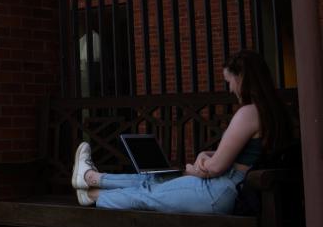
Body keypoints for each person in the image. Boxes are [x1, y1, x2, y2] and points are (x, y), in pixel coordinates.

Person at [72, 50, 292, 213]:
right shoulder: (272, 111)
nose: (231, 88)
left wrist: (196, 168)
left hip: (221, 189)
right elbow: (241, 154)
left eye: (230, 81)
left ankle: (92, 194)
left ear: (241, 77)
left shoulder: (247, 113)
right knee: (154, 181)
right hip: (230, 185)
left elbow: (216, 169)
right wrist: (207, 156)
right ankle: (91, 179)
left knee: (149, 194)